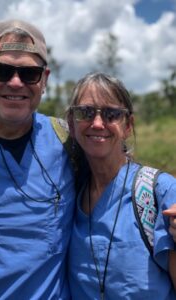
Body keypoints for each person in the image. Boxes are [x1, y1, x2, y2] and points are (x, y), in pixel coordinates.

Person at [0, 19, 76, 299]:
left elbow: (123, 184)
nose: (16, 83)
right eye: (2, 70)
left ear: (44, 79)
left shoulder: (70, 142)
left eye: (29, 74)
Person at [66, 72, 176, 299]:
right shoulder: (69, 193)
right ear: (71, 123)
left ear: (128, 125)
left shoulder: (158, 193)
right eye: (85, 112)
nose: (97, 123)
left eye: (111, 114)